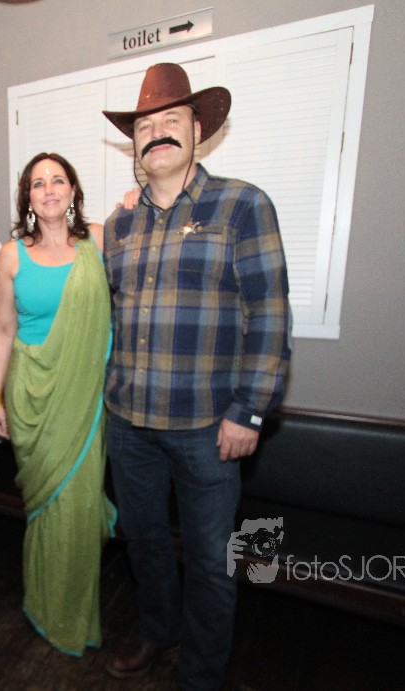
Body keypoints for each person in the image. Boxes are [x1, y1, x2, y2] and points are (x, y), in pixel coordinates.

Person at [100, 63, 292, 688]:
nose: (156, 132)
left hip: (209, 428)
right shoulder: (120, 224)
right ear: (134, 143)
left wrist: (250, 410)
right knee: (144, 543)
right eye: (144, 126)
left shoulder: (242, 205)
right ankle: (158, 633)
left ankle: (202, 675)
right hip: (128, 422)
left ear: (198, 130)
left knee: (212, 561)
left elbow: (269, 313)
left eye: (170, 120)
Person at [0, 152, 116, 656]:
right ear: (28, 197)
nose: (48, 189)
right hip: (30, 396)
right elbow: (2, 329)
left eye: (57, 180)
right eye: (38, 183)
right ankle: (43, 604)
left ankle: (73, 611)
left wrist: (135, 199)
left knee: (78, 505)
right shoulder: (11, 255)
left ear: (73, 191)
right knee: (45, 507)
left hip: (83, 397)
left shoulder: (99, 240)